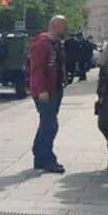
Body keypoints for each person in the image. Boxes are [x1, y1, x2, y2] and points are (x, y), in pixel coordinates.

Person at [29, 15, 69, 173]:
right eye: (64, 26)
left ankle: (40, 156)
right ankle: (47, 159)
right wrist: (41, 90)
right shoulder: (41, 44)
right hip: (45, 92)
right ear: (56, 26)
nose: (66, 29)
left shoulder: (56, 44)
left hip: (55, 89)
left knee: (48, 123)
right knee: (50, 124)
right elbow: (37, 69)